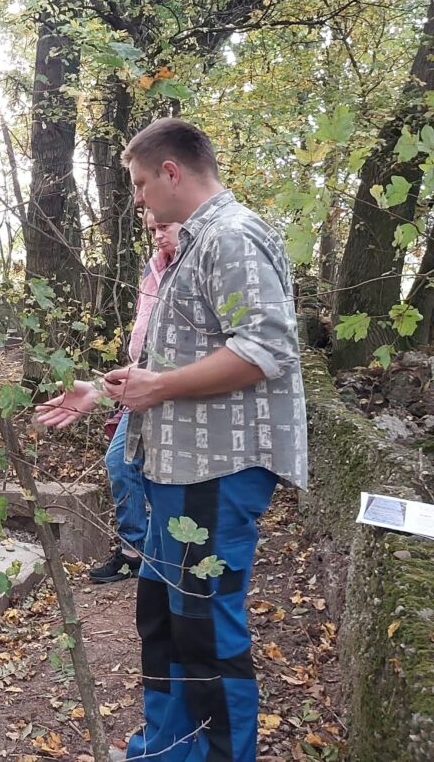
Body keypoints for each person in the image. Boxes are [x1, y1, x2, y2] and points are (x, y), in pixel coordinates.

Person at [102, 119, 307, 762]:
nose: (137, 199)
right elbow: (179, 356)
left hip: (219, 469)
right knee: (164, 619)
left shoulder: (235, 236)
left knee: (206, 627)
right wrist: (108, 387)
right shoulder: (194, 245)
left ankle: (220, 754)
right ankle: (165, 748)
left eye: (139, 183)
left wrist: (158, 389)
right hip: (173, 467)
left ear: (171, 172)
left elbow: (265, 350)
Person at [37, 211, 181, 583]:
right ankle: (134, 551)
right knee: (120, 462)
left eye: (164, 226)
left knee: (167, 480)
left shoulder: (196, 271)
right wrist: (105, 391)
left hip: (182, 399)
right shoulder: (154, 270)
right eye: (152, 229)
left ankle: (167, 556)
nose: (158, 236)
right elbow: (147, 343)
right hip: (143, 388)